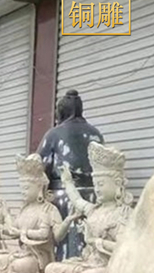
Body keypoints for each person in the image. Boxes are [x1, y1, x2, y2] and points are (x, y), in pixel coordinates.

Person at [44, 142, 133, 273]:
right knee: (51, 269)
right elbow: (77, 200)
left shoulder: (123, 213)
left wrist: (94, 241)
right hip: (87, 262)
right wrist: (67, 182)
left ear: (117, 183)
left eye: (101, 184)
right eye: (95, 184)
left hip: (107, 266)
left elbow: (123, 247)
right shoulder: (94, 210)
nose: (97, 189)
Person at [0, 153, 80, 273]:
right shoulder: (24, 209)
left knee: (19, 265)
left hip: (38, 256)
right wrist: (2, 221)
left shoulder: (49, 209)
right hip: (23, 253)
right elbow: (12, 231)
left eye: (26, 188)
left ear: (39, 187)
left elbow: (55, 236)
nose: (23, 192)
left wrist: (67, 221)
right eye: (21, 188)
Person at [37, 89, 104, 260]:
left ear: (61, 112)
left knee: (66, 247)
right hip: (95, 196)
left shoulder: (53, 134)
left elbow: (39, 167)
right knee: (90, 245)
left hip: (64, 196)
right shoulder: (96, 134)